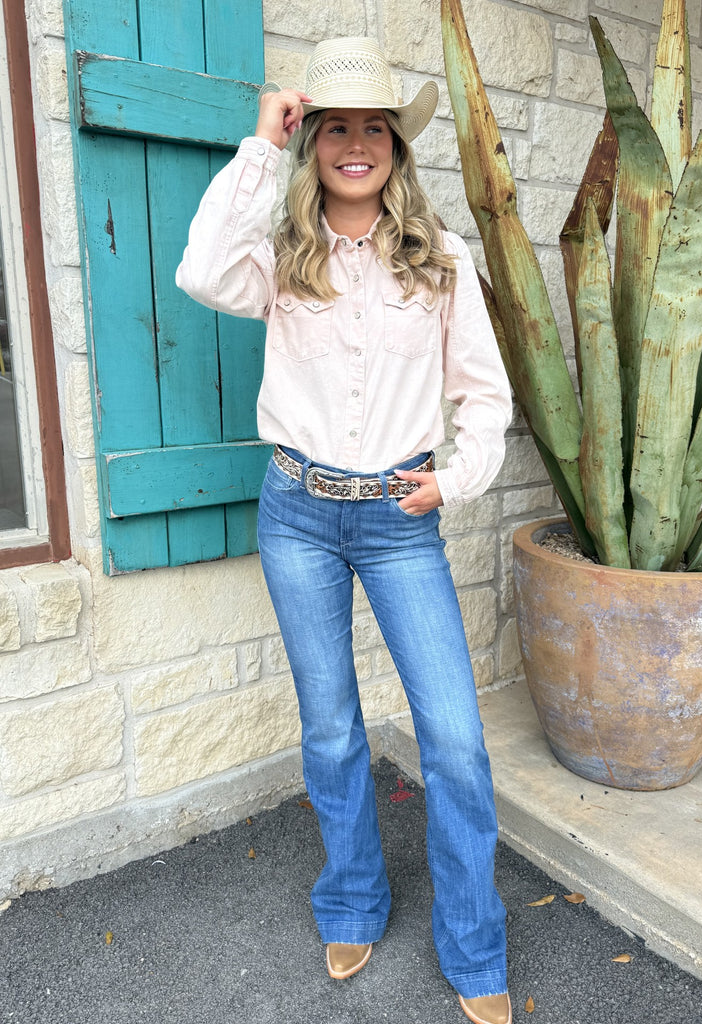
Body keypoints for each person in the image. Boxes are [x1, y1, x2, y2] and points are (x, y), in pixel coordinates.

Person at [176, 36, 514, 1024]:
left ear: (397, 147)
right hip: (297, 514)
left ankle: (475, 944)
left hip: (399, 522)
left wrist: (454, 482)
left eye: (375, 127)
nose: (356, 145)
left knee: (455, 740)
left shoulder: (438, 259)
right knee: (330, 728)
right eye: (335, 128)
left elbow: (485, 396)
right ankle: (354, 899)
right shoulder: (283, 256)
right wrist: (260, 142)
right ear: (311, 140)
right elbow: (200, 271)